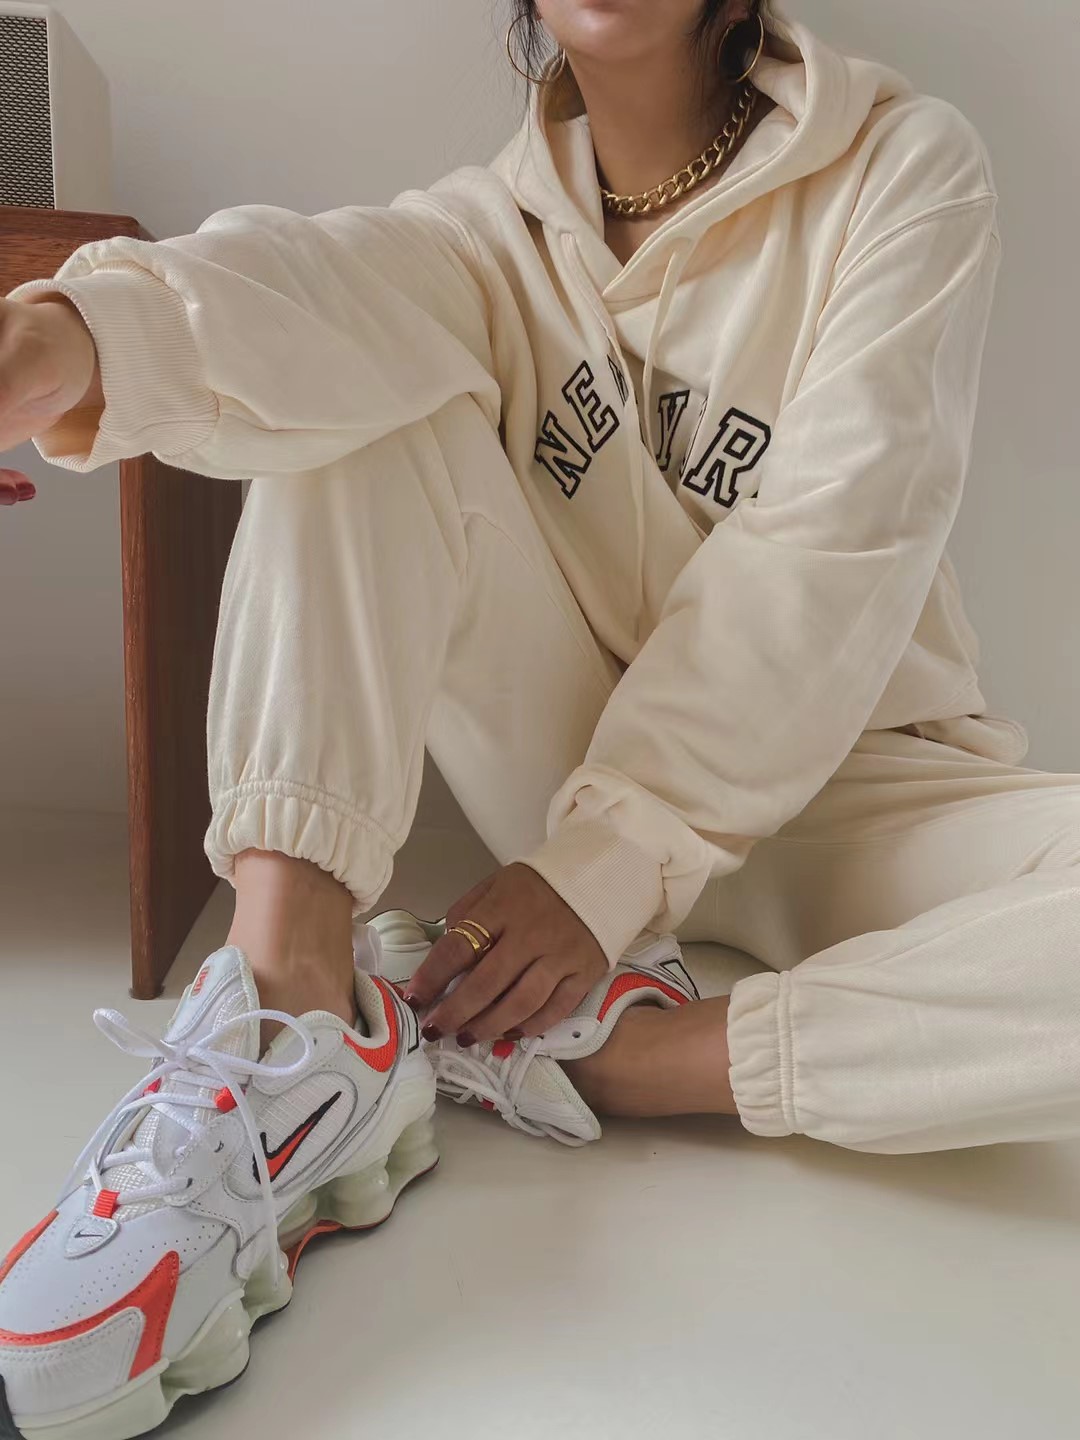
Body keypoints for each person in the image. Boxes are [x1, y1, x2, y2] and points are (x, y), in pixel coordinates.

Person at [0, 1, 1078, 1434]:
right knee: (352, 378)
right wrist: (60, 336)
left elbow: (837, 544)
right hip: (575, 770)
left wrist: (606, 870)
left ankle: (616, 1055)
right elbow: (305, 280)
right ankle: (294, 1021)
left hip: (859, 785)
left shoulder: (901, 162)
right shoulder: (482, 237)